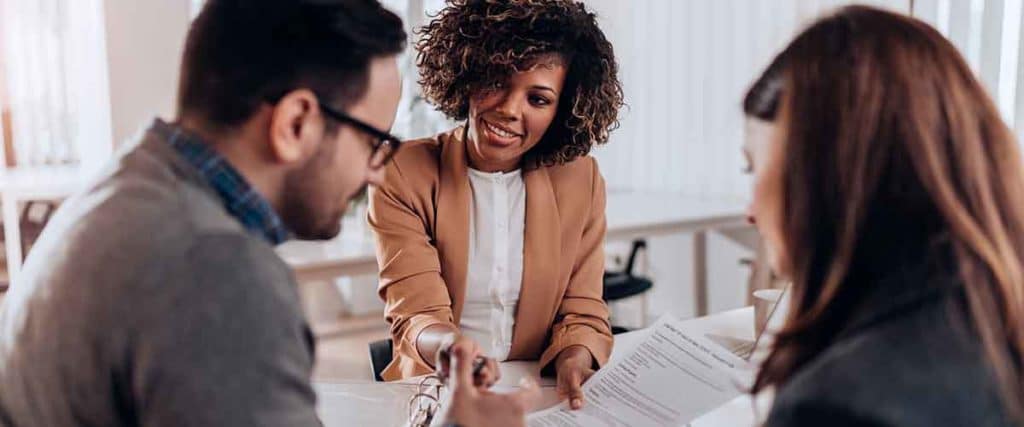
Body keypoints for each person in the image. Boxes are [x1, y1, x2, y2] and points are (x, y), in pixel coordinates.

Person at [0, 1, 535, 426]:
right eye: (375, 141)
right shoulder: (216, 273)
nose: (375, 172)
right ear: (296, 122)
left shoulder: (125, 184)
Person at [742, 6, 1024, 426]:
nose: (749, 212)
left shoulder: (835, 404)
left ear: (830, 179)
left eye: (755, 169)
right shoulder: (992, 311)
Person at [368, 0, 623, 410]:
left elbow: (583, 308)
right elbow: (414, 314)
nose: (509, 108)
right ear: (468, 73)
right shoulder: (403, 171)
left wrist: (578, 354)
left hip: (540, 393)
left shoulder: (580, 179)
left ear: (563, 110)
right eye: (497, 80)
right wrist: (453, 351)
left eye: (538, 99)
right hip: (439, 388)